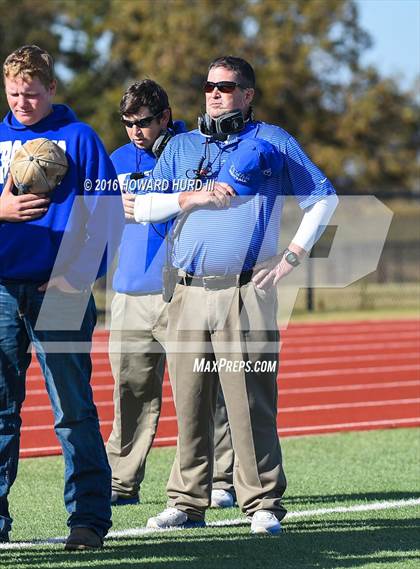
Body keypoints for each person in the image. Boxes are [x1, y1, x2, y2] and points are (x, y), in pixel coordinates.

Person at [134, 55, 338, 535]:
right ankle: (187, 503)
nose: (214, 94)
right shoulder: (182, 146)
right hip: (186, 290)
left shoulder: (273, 140)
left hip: (245, 290)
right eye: (208, 86)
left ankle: (262, 502)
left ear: (247, 94)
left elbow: (323, 197)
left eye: (225, 87)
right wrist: (192, 198)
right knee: (190, 401)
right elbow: (142, 206)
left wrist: (291, 257)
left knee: (249, 402)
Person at [0, 45, 123, 549]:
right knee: (1, 411)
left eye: (31, 93)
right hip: (3, 289)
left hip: (64, 290)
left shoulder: (81, 139)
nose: (22, 103)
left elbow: (109, 216)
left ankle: (89, 521)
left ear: (51, 89)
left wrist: (78, 276)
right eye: (13, 94)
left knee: (72, 409)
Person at [107, 80, 236, 510]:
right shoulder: (117, 161)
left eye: (142, 122)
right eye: (127, 123)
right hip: (131, 292)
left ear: (165, 115)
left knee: (202, 387)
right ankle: (121, 481)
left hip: (186, 286)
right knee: (130, 389)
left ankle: (220, 477)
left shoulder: (196, 149)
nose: (134, 132)